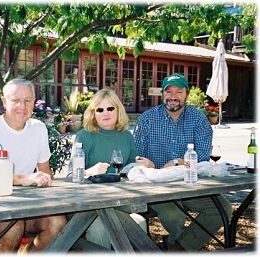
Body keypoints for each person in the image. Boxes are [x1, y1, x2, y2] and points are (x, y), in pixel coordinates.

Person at [0, 78, 67, 252]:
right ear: (4, 101)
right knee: (14, 226)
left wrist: (45, 179)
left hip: (26, 206)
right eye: (15, 100)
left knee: (58, 223)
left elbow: (46, 173)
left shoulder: (39, 128)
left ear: (34, 102)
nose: (23, 106)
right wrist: (21, 179)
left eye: (27, 100)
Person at [133, 73, 232, 251]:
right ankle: (179, 247)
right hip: (157, 186)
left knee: (223, 208)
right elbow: (137, 154)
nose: (173, 96)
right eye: (168, 91)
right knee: (174, 215)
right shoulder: (147, 119)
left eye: (179, 91)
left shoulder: (199, 119)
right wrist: (147, 164)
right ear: (162, 94)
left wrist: (177, 161)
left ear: (187, 94)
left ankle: (179, 248)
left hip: (191, 184)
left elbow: (202, 155)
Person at [75, 88, 146, 249]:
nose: (105, 113)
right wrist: (88, 172)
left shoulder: (127, 136)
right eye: (100, 109)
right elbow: (71, 176)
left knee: (140, 224)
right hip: (90, 206)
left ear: (118, 110)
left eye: (110, 108)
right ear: (93, 114)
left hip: (119, 202)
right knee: (100, 230)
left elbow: (131, 167)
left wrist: (143, 166)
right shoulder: (84, 136)